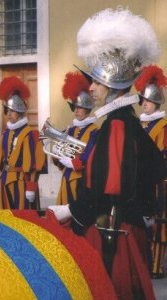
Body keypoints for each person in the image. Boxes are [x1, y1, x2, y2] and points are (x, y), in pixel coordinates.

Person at [48, 8, 166, 299]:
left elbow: (109, 187)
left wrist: (71, 210)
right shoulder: (129, 123)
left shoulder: (116, 126)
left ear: (113, 86)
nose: (91, 88)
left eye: (97, 82)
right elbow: (155, 170)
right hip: (128, 227)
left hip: (114, 233)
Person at [0, 76, 46, 210]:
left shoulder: (30, 134)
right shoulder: (6, 133)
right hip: (5, 180)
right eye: (7, 110)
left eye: (12, 110)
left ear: (20, 112)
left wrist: (31, 187)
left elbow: (35, 166)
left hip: (21, 183)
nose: (9, 114)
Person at [134, 64, 167, 279]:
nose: (143, 104)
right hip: (139, 182)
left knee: (158, 226)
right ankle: (143, 264)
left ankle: (156, 266)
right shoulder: (139, 125)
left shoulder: (163, 126)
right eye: (142, 101)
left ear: (155, 102)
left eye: (147, 101)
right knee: (140, 224)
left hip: (158, 183)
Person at [53, 71, 98, 205]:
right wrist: (56, 152)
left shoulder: (95, 131)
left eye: (80, 107)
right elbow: (59, 160)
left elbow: (91, 155)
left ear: (87, 109)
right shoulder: (71, 129)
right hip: (66, 178)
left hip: (82, 181)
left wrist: (74, 163)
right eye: (75, 107)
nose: (76, 111)